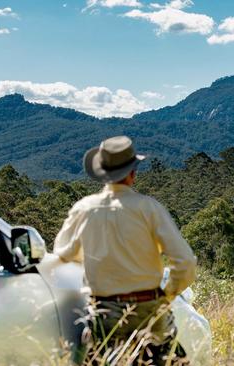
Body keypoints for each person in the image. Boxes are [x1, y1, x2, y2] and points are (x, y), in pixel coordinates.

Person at [53, 136, 197, 365]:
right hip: (148, 309)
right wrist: (167, 295)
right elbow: (186, 262)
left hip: (103, 313)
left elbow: (62, 252)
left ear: (102, 173)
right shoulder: (149, 208)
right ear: (133, 173)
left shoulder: (84, 210)